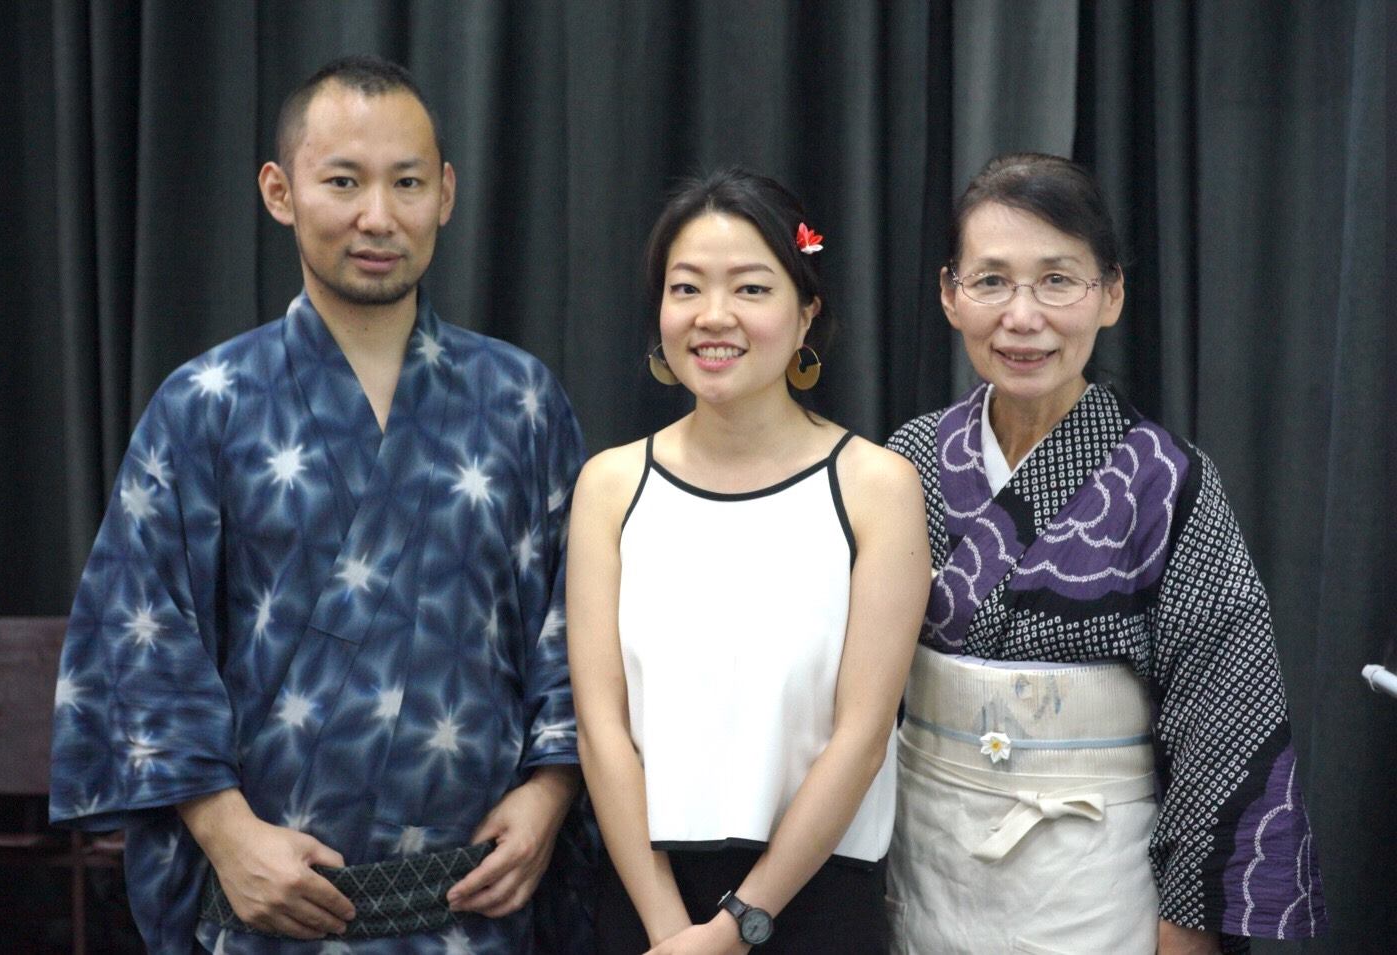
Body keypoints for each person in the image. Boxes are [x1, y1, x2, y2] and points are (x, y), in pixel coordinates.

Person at [49, 56, 591, 954]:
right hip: (267, 905)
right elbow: (141, 630)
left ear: (446, 194)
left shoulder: (521, 401)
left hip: (475, 908)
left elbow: (583, 624)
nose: (378, 215)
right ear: (279, 191)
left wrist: (551, 792)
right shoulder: (207, 404)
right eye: (343, 181)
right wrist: (226, 832)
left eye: (406, 182)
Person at [885, 153, 1327, 954]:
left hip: (1094, 882)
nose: (1023, 316)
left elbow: (1224, 715)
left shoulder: (1164, 480)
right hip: (926, 857)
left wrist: (1188, 926)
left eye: (1058, 280)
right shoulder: (907, 461)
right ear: (950, 294)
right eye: (991, 281)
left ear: (1112, 294)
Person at [567, 168, 930, 954]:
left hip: (815, 901)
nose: (713, 315)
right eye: (686, 288)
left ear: (806, 314)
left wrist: (736, 927)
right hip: (646, 902)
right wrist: (671, 930)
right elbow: (602, 729)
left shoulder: (877, 486)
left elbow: (863, 734)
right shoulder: (610, 486)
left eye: (752, 289)